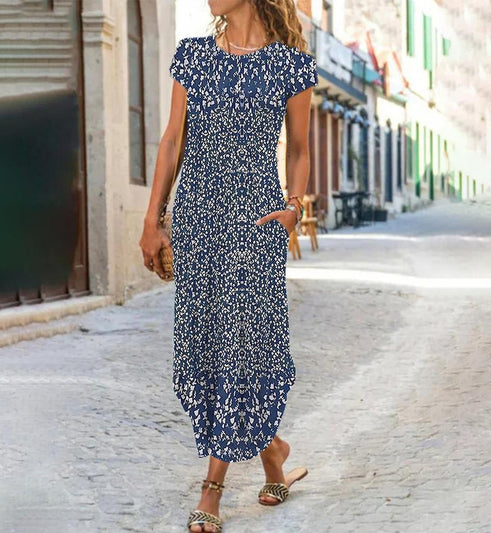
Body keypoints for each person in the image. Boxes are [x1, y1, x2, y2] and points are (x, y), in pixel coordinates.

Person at [138, 1, 318, 530]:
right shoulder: (193, 56)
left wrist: (294, 206)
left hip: (256, 222)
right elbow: (172, 141)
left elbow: (300, 149)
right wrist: (153, 219)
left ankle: (212, 490)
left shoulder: (290, 65)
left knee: (242, 342)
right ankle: (273, 454)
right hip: (197, 218)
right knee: (211, 343)